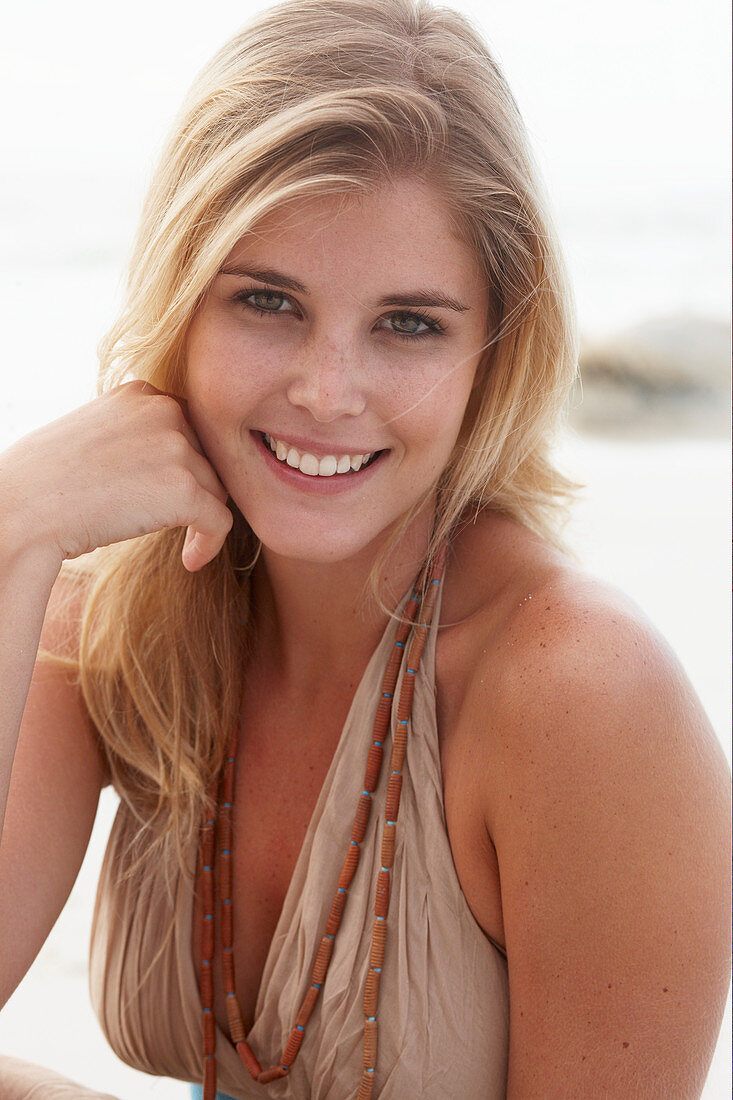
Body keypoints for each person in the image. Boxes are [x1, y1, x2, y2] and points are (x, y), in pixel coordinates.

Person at [0, 0, 729, 1096]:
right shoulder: (110, 623)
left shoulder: (577, 693)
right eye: (266, 300)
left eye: (408, 324)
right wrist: (13, 526)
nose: (326, 391)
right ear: (180, 303)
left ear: (496, 345)